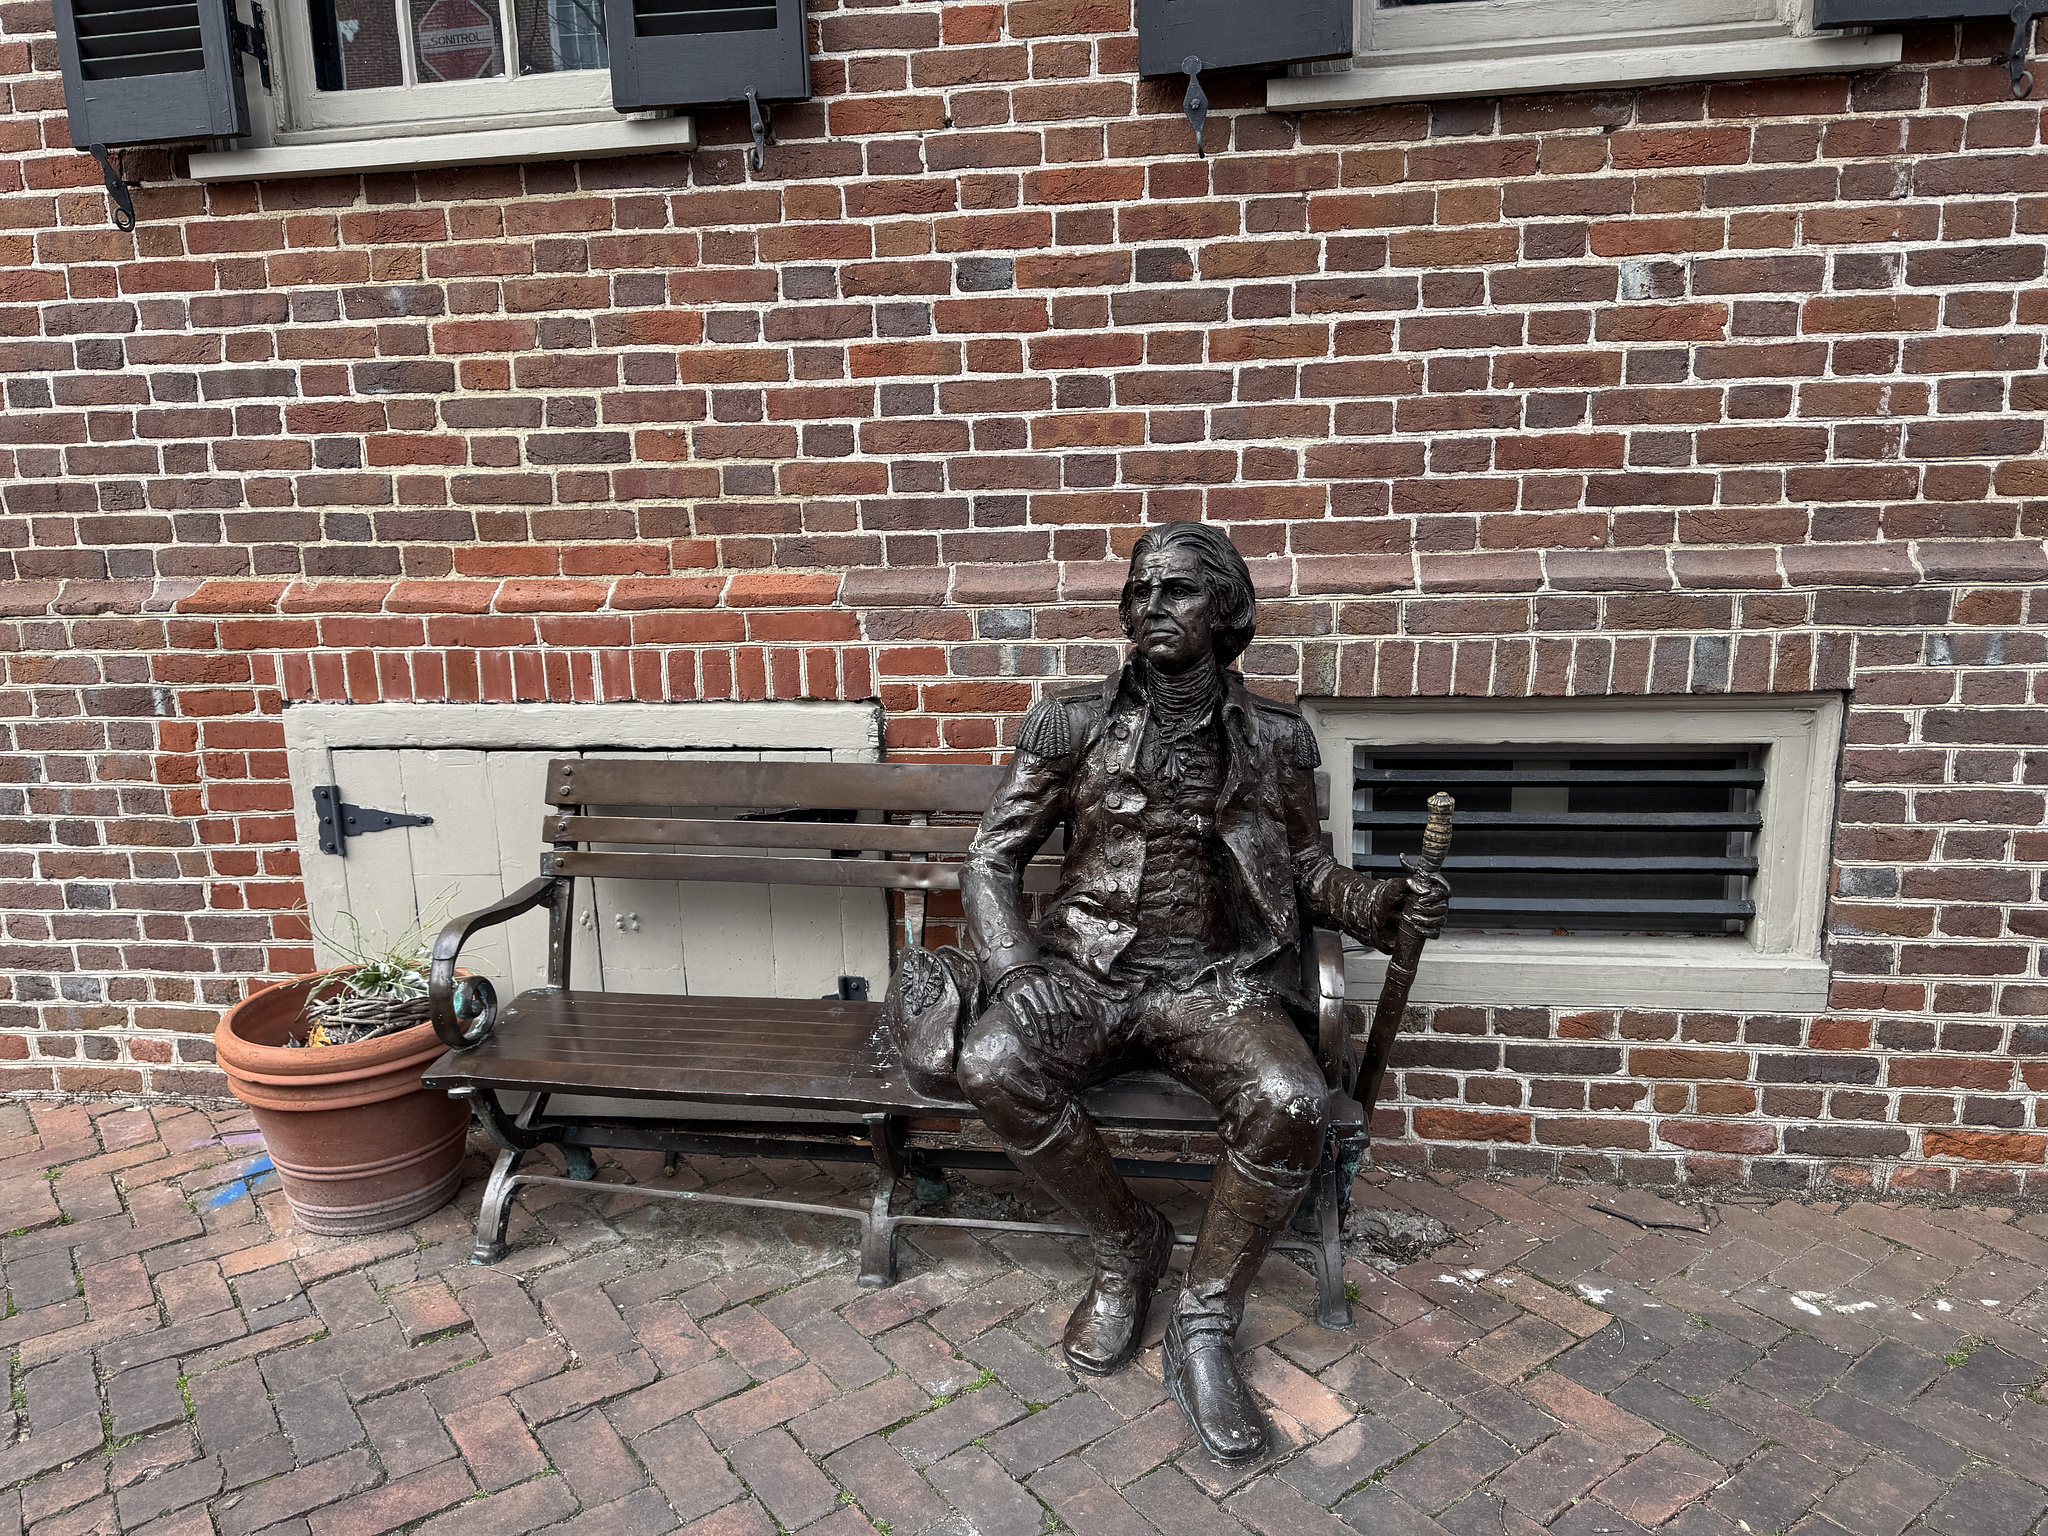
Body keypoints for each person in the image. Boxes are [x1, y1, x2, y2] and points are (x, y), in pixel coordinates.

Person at [956, 521, 1450, 1463]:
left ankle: (1207, 1313)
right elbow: (993, 856)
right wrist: (1019, 969)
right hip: (1086, 971)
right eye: (1140, 591)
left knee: (1290, 1099)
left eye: (1177, 591)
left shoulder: (1272, 734)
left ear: (1227, 609)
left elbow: (1308, 871)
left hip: (1215, 983)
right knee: (991, 1061)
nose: (1152, 608)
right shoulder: (1069, 721)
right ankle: (1126, 1245)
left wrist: (1382, 905)